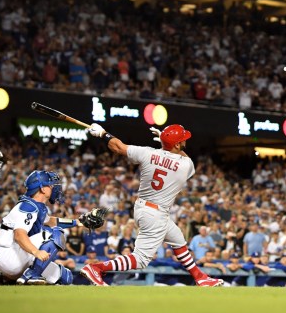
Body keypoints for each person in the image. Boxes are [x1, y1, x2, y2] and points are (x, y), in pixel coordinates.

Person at [81, 123, 223, 287]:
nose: (185, 142)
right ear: (177, 144)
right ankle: (96, 268)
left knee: (177, 238)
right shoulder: (186, 165)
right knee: (140, 259)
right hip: (156, 214)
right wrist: (164, 142)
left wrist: (103, 134)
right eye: (182, 140)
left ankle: (200, 277)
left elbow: (118, 147)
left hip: (144, 208)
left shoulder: (147, 153)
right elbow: (182, 156)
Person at [0, 170, 78, 285]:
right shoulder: (28, 206)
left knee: (65, 277)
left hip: (21, 254)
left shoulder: (36, 206)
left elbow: (52, 221)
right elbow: (19, 235)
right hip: (10, 255)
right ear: (43, 189)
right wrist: (36, 252)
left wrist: (79, 222)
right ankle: (31, 275)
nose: (54, 188)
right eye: (51, 185)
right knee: (55, 234)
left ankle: (13, 282)